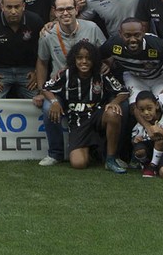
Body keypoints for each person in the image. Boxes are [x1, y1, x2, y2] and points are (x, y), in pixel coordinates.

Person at [40, 41, 130, 173]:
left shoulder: (102, 73)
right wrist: (54, 102)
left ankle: (111, 158)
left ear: (94, 60)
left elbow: (123, 92)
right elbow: (46, 88)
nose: (84, 61)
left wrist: (114, 102)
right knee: (78, 163)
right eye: (80, 58)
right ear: (74, 59)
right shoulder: (66, 74)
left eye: (88, 58)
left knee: (113, 113)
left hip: (98, 117)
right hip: (78, 122)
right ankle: (92, 151)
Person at [0, 0, 44, 100]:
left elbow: (43, 51)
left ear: (23, 6)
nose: (13, 11)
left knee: (38, 100)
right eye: (9, 7)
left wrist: (37, 72)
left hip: (27, 71)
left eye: (17, 7)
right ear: (2, 7)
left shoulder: (35, 21)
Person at [129, 91, 163, 178]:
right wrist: (135, 140)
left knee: (159, 141)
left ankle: (153, 166)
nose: (146, 113)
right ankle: (145, 164)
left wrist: (162, 133)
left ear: (157, 105)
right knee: (139, 151)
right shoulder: (140, 123)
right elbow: (134, 138)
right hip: (149, 150)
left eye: (149, 108)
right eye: (142, 110)